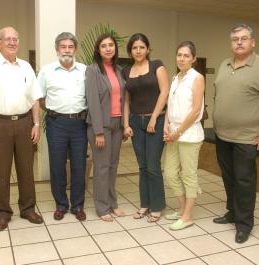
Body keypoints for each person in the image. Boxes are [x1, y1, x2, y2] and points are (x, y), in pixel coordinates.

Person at [212, 24, 259, 243]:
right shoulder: (224, 64)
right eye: (235, 39)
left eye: (244, 38)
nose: (239, 42)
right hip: (222, 134)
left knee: (244, 180)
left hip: (248, 136)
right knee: (229, 176)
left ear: (253, 42)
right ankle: (232, 212)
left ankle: (244, 224)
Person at [0, 26, 44, 232]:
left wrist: (36, 124)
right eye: (8, 39)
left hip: (24, 123)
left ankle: (28, 208)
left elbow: (35, 98)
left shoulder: (26, 67)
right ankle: (3, 213)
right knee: (1, 172)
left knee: (26, 169)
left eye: (15, 39)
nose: (12, 42)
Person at [38, 32, 87, 221]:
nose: (67, 50)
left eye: (70, 47)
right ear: (57, 49)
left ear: (75, 49)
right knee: (57, 166)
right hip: (56, 123)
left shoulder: (85, 70)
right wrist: (54, 112)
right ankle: (61, 205)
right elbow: (40, 98)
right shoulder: (47, 71)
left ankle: (77, 206)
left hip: (80, 124)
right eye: (63, 47)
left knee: (79, 166)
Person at [123, 33, 169, 222]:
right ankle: (145, 204)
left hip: (155, 122)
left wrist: (154, 117)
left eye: (142, 47)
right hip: (135, 122)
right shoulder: (126, 71)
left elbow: (165, 91)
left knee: (153, 165)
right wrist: (126, 124)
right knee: (142, 166)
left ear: (148, 49)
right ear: (130, 51)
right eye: (135, 48)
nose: (138, 51)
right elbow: (126, 100)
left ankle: (157, 206)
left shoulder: (157, 65)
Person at [163, 41, 205, 230]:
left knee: (189, 175)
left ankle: (187, 216)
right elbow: (170, 106)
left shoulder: (197, 78)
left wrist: (177, 132)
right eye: (179, 55)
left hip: (189, 134)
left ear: (193, 59)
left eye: (186, 55)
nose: (182, 58)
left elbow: (196, 110)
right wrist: (166, 125)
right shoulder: (175, 77)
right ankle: (181, 209)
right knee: (171, 173)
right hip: (173, 133)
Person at [85, 34, 126, 222]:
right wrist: (98, 131)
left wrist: (125, 125)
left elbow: (123, 99)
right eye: (104, 46)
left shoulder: (118, 70)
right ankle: (102, 208)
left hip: (117, 124)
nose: (108, 48)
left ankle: (112, 203)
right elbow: (92, 102)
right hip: (101, 125)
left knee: (113, 166)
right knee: (101, 167)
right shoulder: (93, 70)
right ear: (98, 50)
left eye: (111, 45)